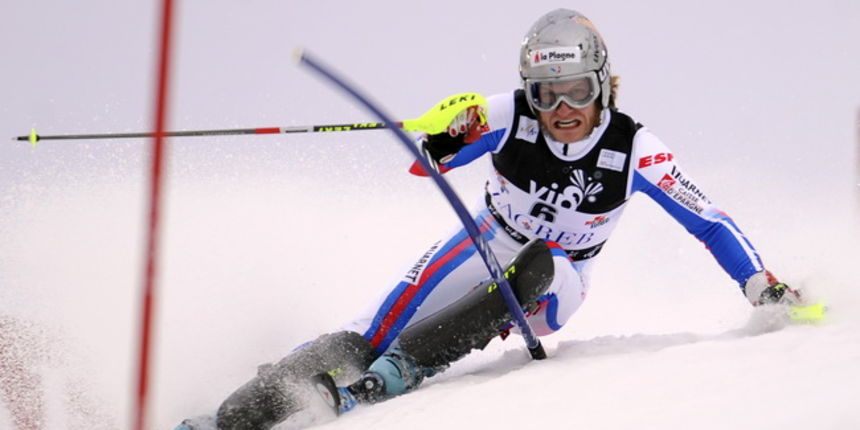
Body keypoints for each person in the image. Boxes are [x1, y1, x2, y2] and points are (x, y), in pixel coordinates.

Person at [190, 8, 815, 430]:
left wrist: (762, 287)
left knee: (538, 262)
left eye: (578, 91)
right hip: (483, 240)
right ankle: (236, 414)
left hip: (560, 278)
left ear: (603, 85)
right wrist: (449, 134)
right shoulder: (506, 114)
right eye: (546, 94)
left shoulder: (637, 150)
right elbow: (428, 163)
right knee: (369, 331)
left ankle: (398, 375)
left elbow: (710, 223)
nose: (562, 108)